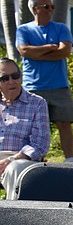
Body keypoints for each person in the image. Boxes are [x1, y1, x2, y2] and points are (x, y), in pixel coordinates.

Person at [15, 0, 73, 161]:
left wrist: (37, 53)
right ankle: (35, 159)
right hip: (33, 87)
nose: (51, 10)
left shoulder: (61, 28)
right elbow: (23, 51)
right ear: (35, 9)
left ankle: (70, 160)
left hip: (59, 86)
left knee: (64, 124)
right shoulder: (24, 29)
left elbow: (65, 51)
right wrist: (50, 47)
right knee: (34, 128)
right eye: (46, 6)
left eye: (52, 7)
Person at [0, 58, 49, 198]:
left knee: (14, 169)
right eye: (4, 78)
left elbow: (40, 145)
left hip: (20, 158)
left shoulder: (37, 103)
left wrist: (12, 159)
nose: (11, 81)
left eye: (15, 76)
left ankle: (13, 218)